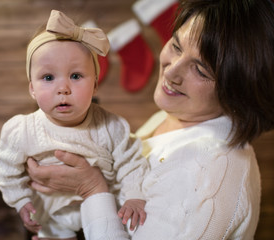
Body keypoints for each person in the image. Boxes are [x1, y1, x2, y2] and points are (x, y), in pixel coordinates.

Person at [26, 0, 274, 239]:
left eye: (200, 70)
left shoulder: (211, 176)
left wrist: (91, 188)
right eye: (176, 46)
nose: (172, 71)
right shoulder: (176, 115)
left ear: (240, 89)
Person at [0, 10, 148, 240]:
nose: (63, 88)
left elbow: (131, 162)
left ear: (95, 85)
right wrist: (21, 201)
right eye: (48, 78)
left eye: (76, 76)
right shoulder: (21, 131)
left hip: (104, 208)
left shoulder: (111, 126)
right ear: (32, 89)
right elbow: (6, 170)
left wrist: (135, 196)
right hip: (50, 215)